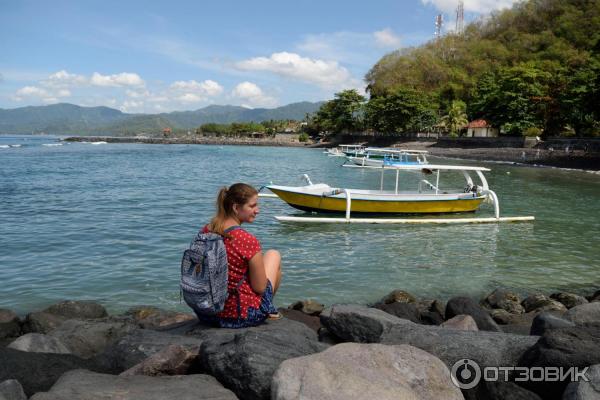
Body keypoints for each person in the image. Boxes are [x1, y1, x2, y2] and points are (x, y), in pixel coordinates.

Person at [199, 183, 282, 328]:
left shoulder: (206, 230)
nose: (257, 211)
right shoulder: (246, 240)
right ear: (236, 208)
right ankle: (268, 309)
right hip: (238, 317)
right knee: (273, 254)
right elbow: (260, 288)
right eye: (252, 206)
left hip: (206, 313)